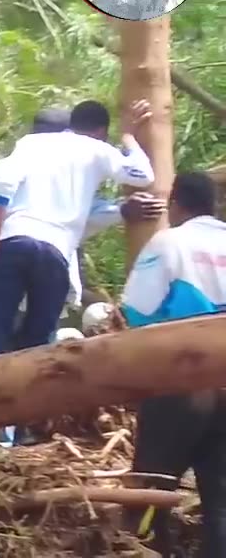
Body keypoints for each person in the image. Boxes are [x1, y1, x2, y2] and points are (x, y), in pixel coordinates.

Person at [0, 108, 165, 364]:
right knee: (40, 338)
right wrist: (129, 137)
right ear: (101, 132)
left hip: (13, 241)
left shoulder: (32, 144)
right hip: (54, 251)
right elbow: (144, 176)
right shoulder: (96, 149)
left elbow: (2, 181)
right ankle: (28, 395)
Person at [120, 172, 226, 556]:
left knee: (153, 486)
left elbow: (137, 310)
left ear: (177, 204)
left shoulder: (170, 242)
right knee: (221, 500)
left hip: (181, 379)